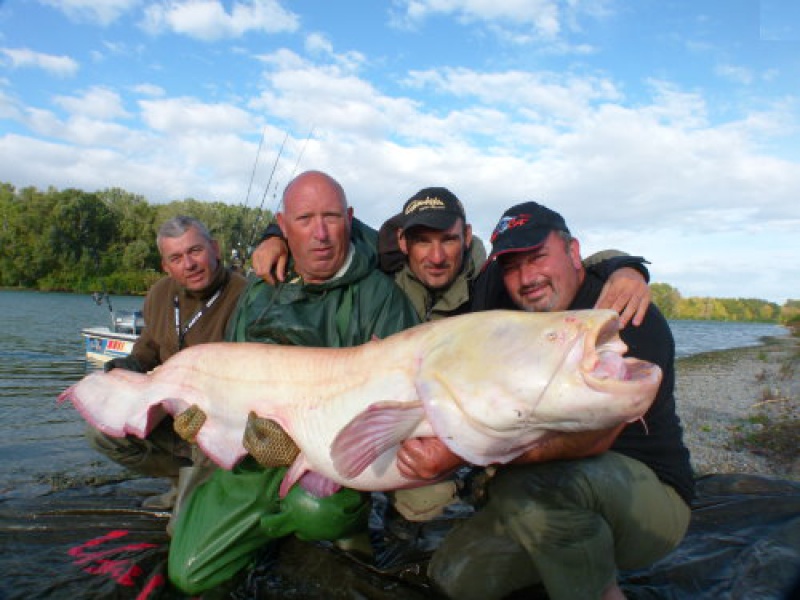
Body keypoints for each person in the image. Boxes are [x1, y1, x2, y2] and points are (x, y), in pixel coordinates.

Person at [251, 187, 654, 522]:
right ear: (403, 243)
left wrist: (626, 268)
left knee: (428, 506)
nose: (437, 256)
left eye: (447, 239)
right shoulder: (386, 267)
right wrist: (274, 233)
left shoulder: (489, 281)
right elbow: (326, 223)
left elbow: (566, 263)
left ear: (466, 237)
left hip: (447, 417)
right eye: (422, 241)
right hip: (386, 405)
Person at [396, 201, 695, 600]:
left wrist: (459, 453)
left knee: (528, 484)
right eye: (512, 266)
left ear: (573, 252)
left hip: (645, 497)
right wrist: (278, 236)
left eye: (537, 257)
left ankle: (601, 591)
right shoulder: (501, 304)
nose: (526, 278)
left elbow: (590, 441)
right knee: (454, 578)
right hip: (542, 492)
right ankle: (563, 554)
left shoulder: (618, 315)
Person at [167, 170, 421, 595]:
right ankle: (268, 525)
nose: (320, 234)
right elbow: (228, 378)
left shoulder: (382, 299)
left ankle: (310, 525)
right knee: (188, 574)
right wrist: (207, 421)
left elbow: (399, 406)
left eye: (331, 217)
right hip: (255, 458)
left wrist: (306, 445)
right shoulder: (257, 293)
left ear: (350, 219)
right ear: (282, 228)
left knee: (315, 510)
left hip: (332, 460)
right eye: (304, 220)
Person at [86, 215, 247, 510]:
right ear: (166, 266)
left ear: (215, 249)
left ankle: (204, 487)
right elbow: (147, 349)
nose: (189, 264)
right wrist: (130, 365)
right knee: (101, 431)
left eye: (195, 251)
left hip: (217, 422)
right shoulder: (160, 293)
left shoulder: (245, 295)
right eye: (176, 257)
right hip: (169, 414)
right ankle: (181, 478)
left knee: (181, 532)